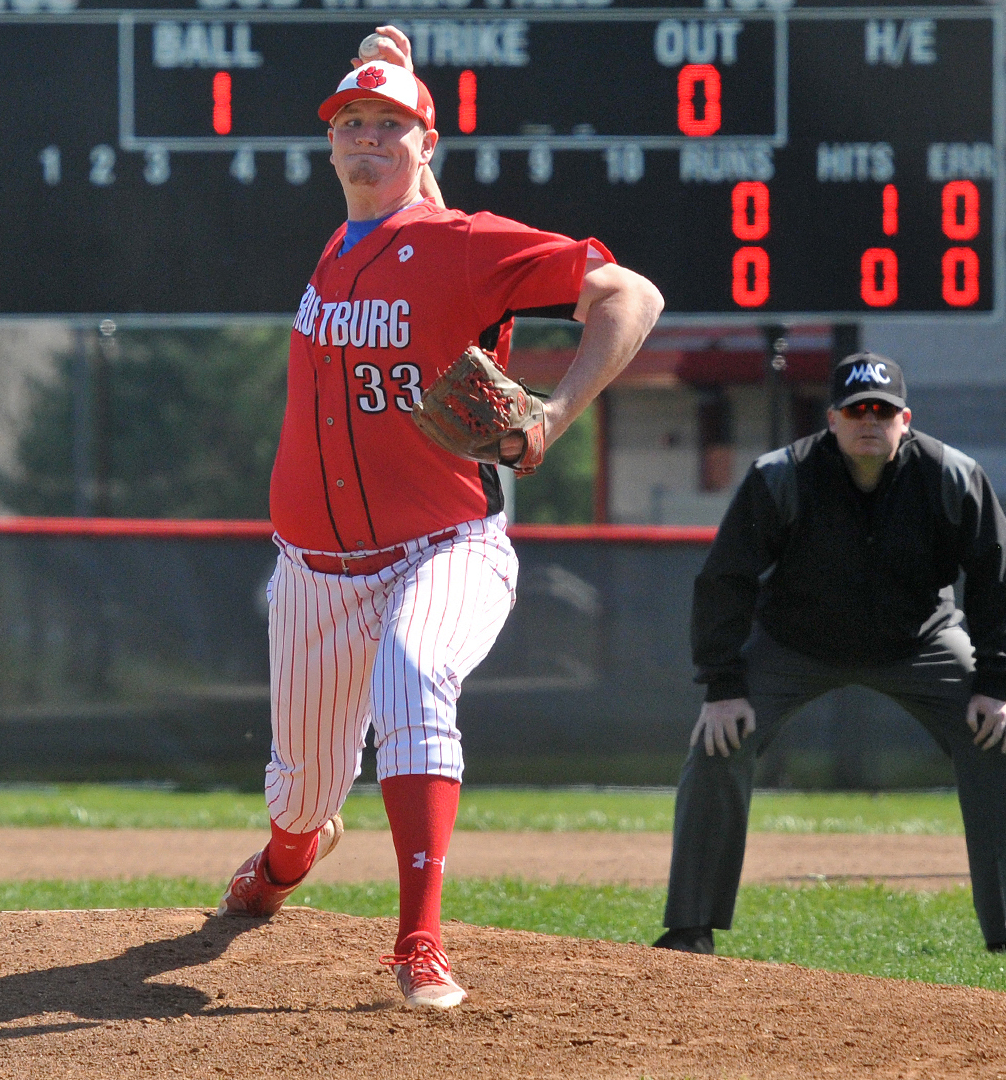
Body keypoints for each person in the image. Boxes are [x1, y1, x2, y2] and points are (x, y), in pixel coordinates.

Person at [213, 28, 664, 1011]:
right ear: (331, 145)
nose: (367, 139)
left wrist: (554, 415)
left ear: (427, 145)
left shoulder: (464, 243)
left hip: (443, 547)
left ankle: (419, 942)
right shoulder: (341, 248)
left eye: (390, 125)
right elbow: (395, 224)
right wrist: (393, 69)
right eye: (352, 123)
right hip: (314, 571)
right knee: (301, 794)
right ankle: (288, 859)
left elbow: (630, 294)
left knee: (415, 676)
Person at [657, 352, 1006, 956]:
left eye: (883, 411)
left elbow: (998, 579)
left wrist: (999, 687)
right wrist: (723, 687)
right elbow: (725, 581)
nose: (870, 420)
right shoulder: (781, 475)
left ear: (905, 419)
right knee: (719, 740)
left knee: (1001, 736)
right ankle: (691, 927)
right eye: (857, 409)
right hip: (794, 642)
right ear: (833, 418)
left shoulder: (952, 474)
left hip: (922, 639)